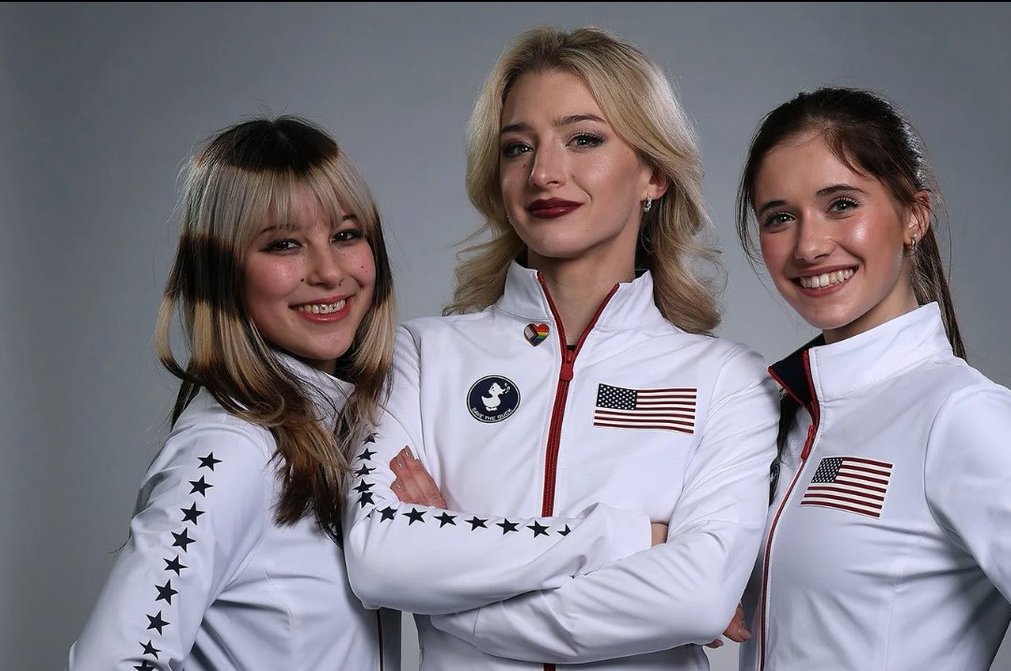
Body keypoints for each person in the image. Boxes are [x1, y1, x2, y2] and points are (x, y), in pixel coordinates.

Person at [341, 26, 779, 670]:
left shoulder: (728, 380)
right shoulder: (421, 356)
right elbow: (379, 556)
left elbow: (695, 601)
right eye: (518, 148)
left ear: (654, 172)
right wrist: (628, 538)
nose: (544, 173)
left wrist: (448, 581)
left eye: (584, 139)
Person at [730, 87, 1011, 670]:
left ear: (914, 216)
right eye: (780, 217)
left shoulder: (958, 414)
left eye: (841, 204)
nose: (809, 245)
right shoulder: (780, 414)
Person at [68, 116, 401, 669]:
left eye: (346, 235)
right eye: (284, 244)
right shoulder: (228, 450)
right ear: (224, 271)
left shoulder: (345, 427)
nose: (328, 271)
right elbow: (113, 661)